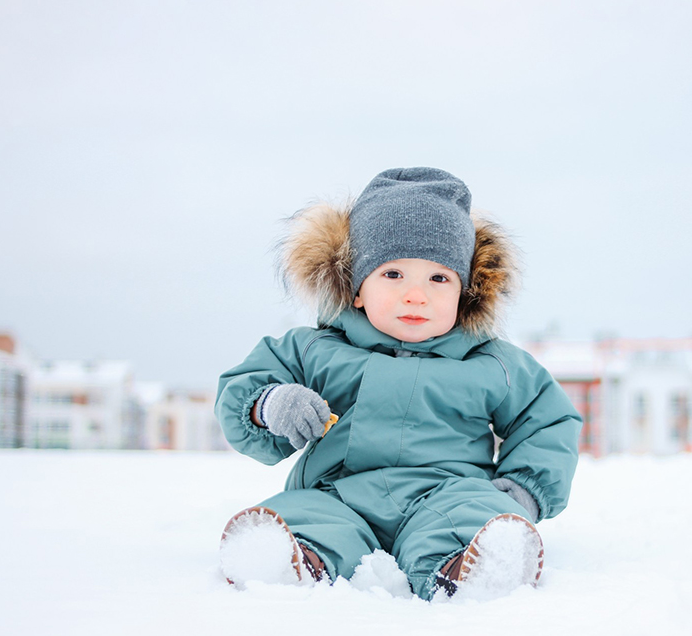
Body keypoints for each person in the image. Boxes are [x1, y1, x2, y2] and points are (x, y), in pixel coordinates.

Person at [214, 167, 581, 600]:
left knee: (471, 515)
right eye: (392, 275)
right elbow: (245, 386)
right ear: (355, 288)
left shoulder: (490, 361)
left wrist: (525, 489)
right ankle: (293, 558)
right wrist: (271, 404)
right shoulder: (314, 349)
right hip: (337, 494)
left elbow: (547, 419)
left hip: (448, 492)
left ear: (465, 293)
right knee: (305, 515)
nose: (415, 294)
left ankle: (472, 564)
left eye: (438, 278)